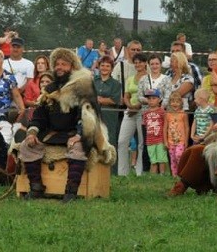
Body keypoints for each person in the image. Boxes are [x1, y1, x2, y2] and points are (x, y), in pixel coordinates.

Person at [20, 47, 115, 202]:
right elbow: (39, 116)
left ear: (72, 66)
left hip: (76, 131)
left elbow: (87, 114)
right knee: (26, 145)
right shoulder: (50, 90)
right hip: (54, 133)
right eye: (57, 64)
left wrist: (79, 135)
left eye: (64, 64)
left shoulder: (83, 86)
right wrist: (32, 133)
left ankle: (70, 192)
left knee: (79, 147)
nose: (59, 67)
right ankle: (36, 188)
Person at [117, 52, 147, 176]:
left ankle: (139, 172)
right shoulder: (130, 79)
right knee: (122, 141)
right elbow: (126, 95)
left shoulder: (149, 78)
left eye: (140, 62)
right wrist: (129, 106)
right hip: (129, 112)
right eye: (135, 62)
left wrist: (137, 106)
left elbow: (148, 95)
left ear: (145, 63)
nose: (138, 64)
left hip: (143, 111)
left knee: (141, 142)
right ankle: (122, 172)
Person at [93, 56, 121, 157]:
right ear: (99, 67)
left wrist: (99, 99)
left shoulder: (116, 84)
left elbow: (114, 100)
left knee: (109, 140)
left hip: (109, 116)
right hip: (94, 114)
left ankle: (111, 169)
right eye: (102, 65)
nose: (104, 68)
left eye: (108, 66)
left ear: (112, 68)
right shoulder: (93, 81)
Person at [141, 88, 167, 174]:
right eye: (149, 98)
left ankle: (162, 175)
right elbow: (145, 126)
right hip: (150, 140)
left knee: (161, 159)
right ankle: (153, 177)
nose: (151, 100)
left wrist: (165, 139)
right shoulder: (145, 113)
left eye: (154, 98)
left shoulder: (162, 112)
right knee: (153, 160)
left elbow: (165, 125)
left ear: (159, 99)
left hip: (160, 140)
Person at [163, 91, 188, 176]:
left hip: (181, 141)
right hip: (171, 142)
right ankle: (174, 176)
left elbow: (187, 128)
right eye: (173, 101)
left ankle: (181, 173)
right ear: (169, 103)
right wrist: (165, 141)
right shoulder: (168, 114)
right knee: (172, 159)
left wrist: (186, 141)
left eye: (177, 102)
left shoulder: (183, 114)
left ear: (181, 103)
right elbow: (165, 128)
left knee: (179, 156)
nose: (175, 104)